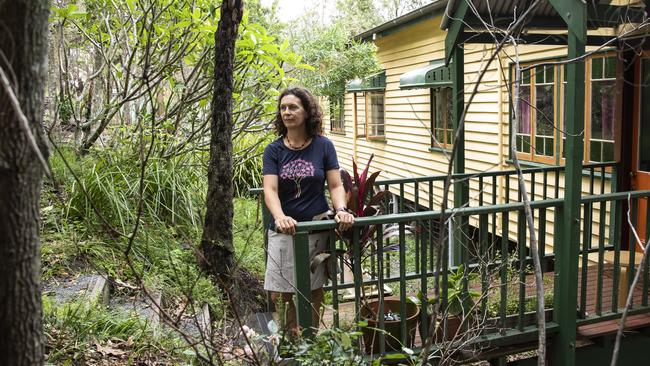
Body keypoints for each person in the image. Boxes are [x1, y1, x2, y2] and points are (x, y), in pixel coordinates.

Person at [262, 87, 354, 334]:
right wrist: (281, 217)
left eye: (293, 107)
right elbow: (270, 190)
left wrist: (341, 210)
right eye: (283, 108)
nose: (287, 112)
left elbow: (335, 184)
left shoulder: (324, 146)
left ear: (307, 111)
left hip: (315, 230)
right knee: (279, 290)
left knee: (313, 289)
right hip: (283, 231)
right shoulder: (274, 150)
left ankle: (309, 340)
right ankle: (287, 340)